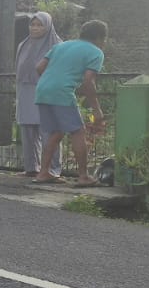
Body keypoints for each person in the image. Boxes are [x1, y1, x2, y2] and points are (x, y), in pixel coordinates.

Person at [35, 19, 108, 188]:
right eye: (104, 39)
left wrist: (53, 80)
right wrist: (97, 110)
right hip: (62, 92)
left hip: (43, 90)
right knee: (78, 132)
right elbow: (88, 82)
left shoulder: (61, 46)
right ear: (99, 37)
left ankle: (43, 172)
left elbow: (39, 68)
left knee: (56, 132)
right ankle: (83, 176)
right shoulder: (96, 52)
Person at [17, 12, 65, 178]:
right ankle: (31, 167)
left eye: (40, 25)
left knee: (49, 129)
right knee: (28, 129)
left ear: (48, 26)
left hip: (48, 92)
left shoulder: (58, 45)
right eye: (33, 24)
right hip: (26, 91)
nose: (35, 28)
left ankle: (53, 170)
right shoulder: (23, 44)